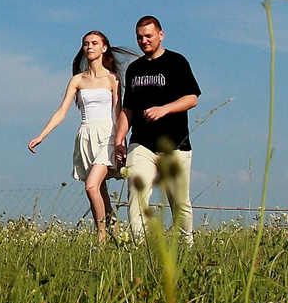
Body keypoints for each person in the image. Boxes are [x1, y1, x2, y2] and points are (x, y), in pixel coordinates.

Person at [29, 30, 122, 243]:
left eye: (94, 43)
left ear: (104, 48)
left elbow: (119, 113)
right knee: (100, 191)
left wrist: (120, 141)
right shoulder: (77, 80)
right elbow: (61, 112)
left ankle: (101, 237)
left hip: (107, 135)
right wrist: (41, 136)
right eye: (86, 44)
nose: (89, 47)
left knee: (91, 187)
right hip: (86, 136)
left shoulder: (112, 79)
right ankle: (115, 229)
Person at [117, 16, 199, 244]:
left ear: (160, 35)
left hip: (175, 144)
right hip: (141, 143)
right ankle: (139, 245)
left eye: (148, 36)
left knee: (180, 201)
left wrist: (165, 109)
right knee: (136, 194)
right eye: (140, 37)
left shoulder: (177, 62)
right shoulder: (134, 69)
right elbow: (128, 109)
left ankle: (185, 245)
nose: (144, 41)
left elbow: (192, 98)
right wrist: (119, 138)